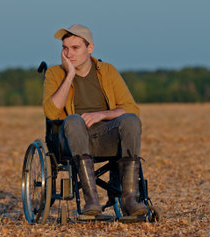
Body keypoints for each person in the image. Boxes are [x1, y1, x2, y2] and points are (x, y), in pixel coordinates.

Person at [42, 24, 147, 217]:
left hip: (105, 136)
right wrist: (69, 75)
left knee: (131, 120)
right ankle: (92, 201)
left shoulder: (107, 71)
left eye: (75, 48)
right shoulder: (55, 74)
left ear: (90, 48)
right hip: (72, 139)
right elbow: (51, 112)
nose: (68, 53)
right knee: (73, 120)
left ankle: (130, 200)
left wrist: (102, 114)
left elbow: (132, 108)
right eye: (65, 48)